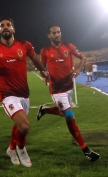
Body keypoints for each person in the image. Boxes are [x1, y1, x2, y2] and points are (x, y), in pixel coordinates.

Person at [0, 17, 47, 168]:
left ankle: (11, 149)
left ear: (13, 29)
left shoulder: (25, 45)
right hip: (7, 94)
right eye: (2, 26)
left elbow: (35, 60)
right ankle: (21, 149)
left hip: (24, 93)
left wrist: (44, 72)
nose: (5, 27)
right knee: (24, 126)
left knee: (19, 125)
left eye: (8, 25)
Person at [36, 25, 100, 162]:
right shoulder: (45, 50)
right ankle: (86, 150)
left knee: (62, 112)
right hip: (56, 89)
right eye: (53, 33)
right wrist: (44, 74)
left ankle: (45, 110)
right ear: (49, 35)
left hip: (68, 86)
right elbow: (41, 67)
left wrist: (77, 69)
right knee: (69, 115)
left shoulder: (69, 46)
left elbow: (82, 58)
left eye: (58, 32)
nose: (57, 34)